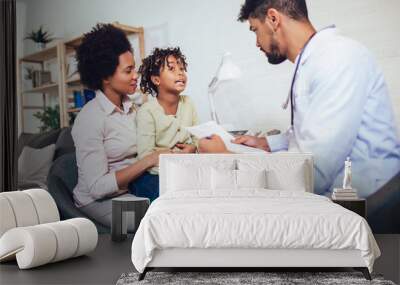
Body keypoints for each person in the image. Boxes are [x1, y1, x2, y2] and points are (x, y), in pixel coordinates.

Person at [199, 0, 400, 200]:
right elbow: (310, 132)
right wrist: (267, 143)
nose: (257, 43)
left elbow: (313, 171)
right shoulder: (312, 61)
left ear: (273, 19)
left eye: (255, 30)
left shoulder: (336, 58)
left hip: (374, 204)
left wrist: (227, 159)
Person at [72, 23, 169, 228]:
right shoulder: (90, 119)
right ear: (106, 77)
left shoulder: (132, 108)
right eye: (128, 71)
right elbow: (98, 187)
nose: (136, 75)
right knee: (162, 221)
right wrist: (149, 160)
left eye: (134, 67)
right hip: (99, 200)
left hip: (133, 187)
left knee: (180, 204)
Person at [136, 47, 198, 175]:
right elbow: (145, 156)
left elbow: (198, 138)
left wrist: (194, 148)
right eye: (172, 69)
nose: (180, 73)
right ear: (156, 80)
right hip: (158, 173)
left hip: (187, 167)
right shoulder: (147, 111)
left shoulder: (188, 103)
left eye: (181, 69)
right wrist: (175, 163)